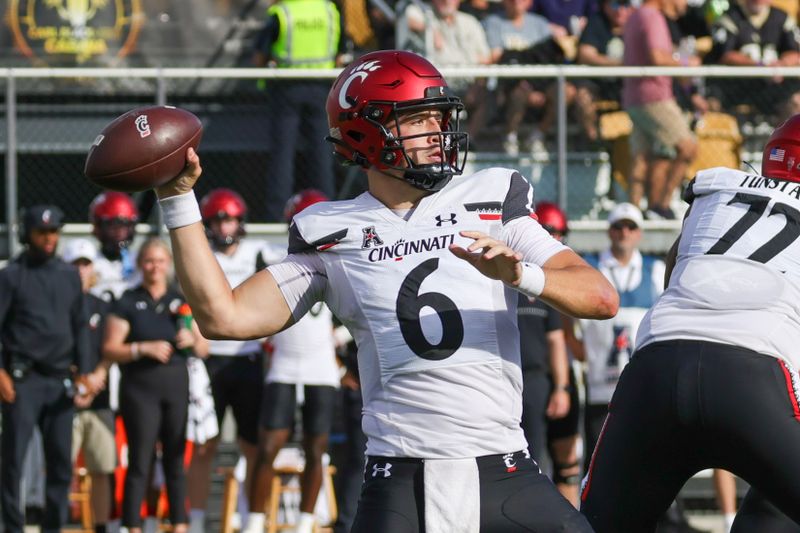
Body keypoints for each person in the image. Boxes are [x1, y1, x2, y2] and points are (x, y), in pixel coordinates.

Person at [155, 49, 618, 532]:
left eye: (440, 116)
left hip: (502, 468)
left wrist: (523, 276)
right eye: (419, 119)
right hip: (399, 477)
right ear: (366, 131)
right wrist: (177, 198)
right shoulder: (333, 231)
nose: (440, 132)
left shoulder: (490, 199)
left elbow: (600, 297)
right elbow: (222, 317)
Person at [580, 114, 800, 531]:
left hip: (655, 371)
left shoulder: (715, 194)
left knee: (594, 527)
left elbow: (674, 268)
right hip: (751, 381)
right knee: (774, 513)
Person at [243, 190, 342, 533]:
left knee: (316, 448)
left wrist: (341, 337)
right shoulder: (272, 257)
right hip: (284, 363)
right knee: (268, 446)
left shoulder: (341, 258)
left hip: (321, 366)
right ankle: (254, 522)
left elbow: (357, 309)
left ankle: (304, 523)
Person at [102, 238, 209, 533]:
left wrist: (193, 341)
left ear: (168, 264)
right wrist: (142, 349)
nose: (155, 267)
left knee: (176, 459)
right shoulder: (127, 300)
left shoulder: (180, 300)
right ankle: (132, 525)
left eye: (160, 261)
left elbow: (204, 348)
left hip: (175, 386)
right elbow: (111, 348)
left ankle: (180, 524)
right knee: (140, 460)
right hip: (140, 389)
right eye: (149, 261)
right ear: (140, 264)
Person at [0, 205, 95, 533]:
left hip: (59, 381)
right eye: (42, 232)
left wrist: (84, 371)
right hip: (21, 381)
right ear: (28, 234)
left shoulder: (69, 275)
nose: (49, 238)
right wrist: (1, 374)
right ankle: (13, 527)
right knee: (13, 463)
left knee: (60, 466)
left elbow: (80, 325)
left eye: (54, 231)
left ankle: (52, 528)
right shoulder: (11, 275)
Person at [185, 188, 268, 533]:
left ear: (241, 220)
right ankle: (197, 521)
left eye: (229, 218)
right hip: (210, 362)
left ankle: (251, 519)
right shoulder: (202, 253)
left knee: (252, 445)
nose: (223, 226)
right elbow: (186, 294)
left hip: (248, 358)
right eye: (217, 220)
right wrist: (192, 331)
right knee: (205, 445)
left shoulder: (258, 252)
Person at [253, 0, 346, 221]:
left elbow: (259, 56)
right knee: (322, 155)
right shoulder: (329, 11)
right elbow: (340, 55)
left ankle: (276, 218)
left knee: (282, 156)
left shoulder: (282, 12)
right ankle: (328, 214)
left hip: (287, 87)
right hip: (321, 87)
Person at [517, 201, 581, 507]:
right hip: (521, 378)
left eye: (559, 233)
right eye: (549, 232)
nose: (555, 240)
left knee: (566, 465)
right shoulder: (517, 277)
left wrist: (562, 386)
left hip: (550, 379)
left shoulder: (558, 275)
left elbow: (563, 339)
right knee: (529, 462)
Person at [622, 0, 699, 218]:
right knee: (688, 148)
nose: (683, 5)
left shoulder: (636, 15)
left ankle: (633, 213)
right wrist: (688, 64)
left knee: (644, 156)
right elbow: (658, 57)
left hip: (634, 97)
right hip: (654, 97)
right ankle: (661, 206)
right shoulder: (652, 17)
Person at [63, 238, 117, 533]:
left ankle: (100, 527)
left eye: (85, 264)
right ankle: (57, 521)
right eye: (75, 264)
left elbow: (111, 346)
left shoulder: (103, 304)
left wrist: (98, 375)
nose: (80, 270)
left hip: (99, 396)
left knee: (101, 468)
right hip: (64, 396)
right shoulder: (57, 304)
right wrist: (76, 380)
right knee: (60, 466)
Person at [397, 0, 492, 139]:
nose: (446, 1)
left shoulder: (470, 22)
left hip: (468, 84)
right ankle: (439, 140)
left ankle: (466, 141)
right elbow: (408, 16)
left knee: (489, 96)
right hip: (436, 88)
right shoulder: (424, 15)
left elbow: (486, 58)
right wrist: (429, 29)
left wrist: (477, 83)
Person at [705, 0, 800, 122]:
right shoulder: (730, 18)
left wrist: (781, 64)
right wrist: (759, 66)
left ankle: (789, 138)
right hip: (738, 87)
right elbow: (725, 55)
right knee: (712, 101)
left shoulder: (782, 18)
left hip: (775, 86)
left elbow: (794, 52)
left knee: (796, 100)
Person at [89, 191, 141, 303]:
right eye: (114, 227)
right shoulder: (88, 261)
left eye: (124, 227)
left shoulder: (140, 261)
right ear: (99, 227)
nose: (119, 233)